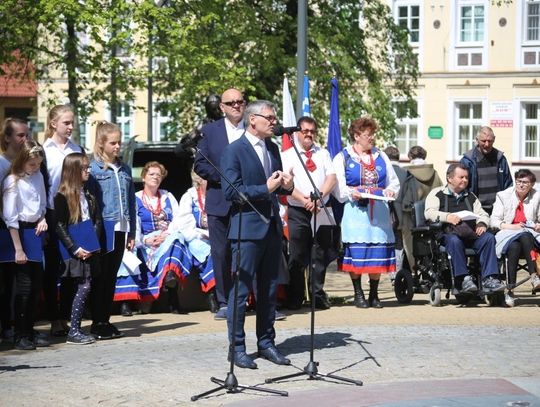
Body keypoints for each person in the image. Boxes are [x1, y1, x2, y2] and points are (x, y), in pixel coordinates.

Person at [220, 100, 294, 369]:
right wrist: (266, 187)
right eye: (270, 117)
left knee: (269, 290)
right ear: (253, 120)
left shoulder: (272, 148)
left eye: (274, 118)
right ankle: (237, 348)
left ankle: (266, 343)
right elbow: (232, 193)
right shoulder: (234, 151)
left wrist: (288, 185)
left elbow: (278, 187)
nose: (274, 121)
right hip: (246, 230)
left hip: (271, 227)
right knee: (240, 292)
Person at [113, 163, 215, 314]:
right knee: (130, 252)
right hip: (146, 239)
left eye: (158, 175)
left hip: (167, 236)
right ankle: (126, 302)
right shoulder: (136, 198)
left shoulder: (168, 196)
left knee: (176, 240)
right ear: (143, 177)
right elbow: (135, 221)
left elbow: (178, 219)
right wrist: (144, 240)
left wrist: (166, 234)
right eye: (152, 174)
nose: (155, 177)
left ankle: (171, 281)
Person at [333, 117, 399, 309]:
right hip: (355, 212)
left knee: (377, 252)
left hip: (378, 210)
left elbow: (393, 181)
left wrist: (390, 191)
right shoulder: (343, 157)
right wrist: (351, 193)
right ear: (356, 136)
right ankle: (358, 293)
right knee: (358, 251)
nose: (372, 139)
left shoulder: (381, 156)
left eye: (372, 135)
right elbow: (339, 186)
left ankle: (374, 294)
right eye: (367, 135)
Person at [194, 88, 246, 320]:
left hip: (249, 201)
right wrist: (224, 177)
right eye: (231, 102)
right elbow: (200, 165)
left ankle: (251, 299)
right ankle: (224, 301)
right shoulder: (210, 131)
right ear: (222, 107)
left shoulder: (253, 129)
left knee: (249, 251)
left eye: (240, 101)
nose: (236, 105)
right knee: (222, 252)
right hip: (220, 201)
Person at [281, 116, 337, 310]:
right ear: (297, 133)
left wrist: (319, 197)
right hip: (298, 209)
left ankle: (317, 294)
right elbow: (284, 183)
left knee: (320, 253)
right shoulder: (287, 155)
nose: (308, 134)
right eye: (305, 131)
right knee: (297, 255)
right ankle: (295, 296)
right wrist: (304, 200)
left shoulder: (323, 154)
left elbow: (331, 177)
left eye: (312, 131)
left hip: (320, 207)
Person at [424, 163, 505, 294]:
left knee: (488, 238)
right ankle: (463, 279)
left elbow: (483, 214)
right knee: (455, 241)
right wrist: (447, 216)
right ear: (449, 178)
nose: (465, 180)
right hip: (448, 234)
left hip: (470, 233)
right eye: (461, 177)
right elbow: (429, 212)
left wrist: (482, 223)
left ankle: (490, 279)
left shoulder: (470, 196)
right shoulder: (437, 194)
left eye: (466, 178)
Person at [88, 121, 135, 340]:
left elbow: (131, 203)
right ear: (101, 143)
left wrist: (132, 232)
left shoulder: (124, 169)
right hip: (103, 227)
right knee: (101, 275)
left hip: (121, 227)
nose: (117, 147)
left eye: (119, 142)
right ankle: (97, 322)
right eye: (113, 143)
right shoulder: (94, 169)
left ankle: (105, 320)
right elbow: (91, 203)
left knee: (111, 277)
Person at [2, 140, 49, 350]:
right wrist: (18, 249)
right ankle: (19, 333)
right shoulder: (12, 181)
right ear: (22, 160)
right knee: (24, 286)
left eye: (38, 164)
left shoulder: (38, 176)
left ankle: (29, 330)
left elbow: (42, 203)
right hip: (18, 233)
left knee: (36, 285)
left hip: (35, 231)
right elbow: (10, 216)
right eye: (32, 164)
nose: (35, 168)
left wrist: (43, 218)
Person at [42, 104, 83, 337]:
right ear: (53, 123)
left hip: (72, 212)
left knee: (71, 266)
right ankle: (53, 318)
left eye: (72, 122)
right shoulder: (45, 150)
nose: (70, 126)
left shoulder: (76, 149)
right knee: (52, 268)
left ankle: (67, 316)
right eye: (66, 122)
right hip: (50, 212)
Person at [54, 153, 100, 344]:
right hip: (74, 250)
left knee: (86, 284)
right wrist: (74, 248)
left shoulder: (87, 193)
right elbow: (59, 225)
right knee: (82, 285)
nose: (88, 171)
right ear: (73, 170)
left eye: (88, 167)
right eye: (84, 168)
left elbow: (95, 219)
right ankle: (73, 330)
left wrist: (92, 244)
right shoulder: (62, 196)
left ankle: (75, 328)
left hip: (88, 247)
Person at [490, 169, 540, 307]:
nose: (521, 185)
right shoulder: (503, 195)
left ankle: (509, 290)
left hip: (529, 236)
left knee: (516, 245)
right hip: (507, 232)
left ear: (532, 185)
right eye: (518, 181)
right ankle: (534, 276)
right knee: (521, 236)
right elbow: (493, 221)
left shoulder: (537, 196)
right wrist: (512, 227)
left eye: (525, 182)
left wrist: (538, 225)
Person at [0, 118, 29, 343]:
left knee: (16, 282)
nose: (24, 140)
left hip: (23, 229)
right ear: (7, 137)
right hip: (3, 228)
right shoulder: (1, 164)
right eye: (20, 136)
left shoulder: (28, 165)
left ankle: (12, 325)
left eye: (26, 135)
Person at [400, 145, 443, 271]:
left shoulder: (406, 173)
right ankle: (431, 270)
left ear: (410, 157)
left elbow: (402, 196)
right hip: (432, 215)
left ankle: (415, 271)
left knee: (410, 244)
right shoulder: (434, 173)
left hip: (410, 215)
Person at [460, 126, 513, 214]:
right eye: (483, 141)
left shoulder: (501, 159)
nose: (487, 144)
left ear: (494, 139)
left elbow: (508, 185)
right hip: (475, 210)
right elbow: (461, 187)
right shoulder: (467, 161)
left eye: (490, 141)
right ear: (477, 140)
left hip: (498, 210)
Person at [383, 146, 408, 278]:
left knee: (385, 242)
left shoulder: (382, 172)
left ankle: (383, 271)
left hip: (384, 213)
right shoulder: (406, 173)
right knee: (399, 243)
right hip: (402, 214)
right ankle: (396, 273)